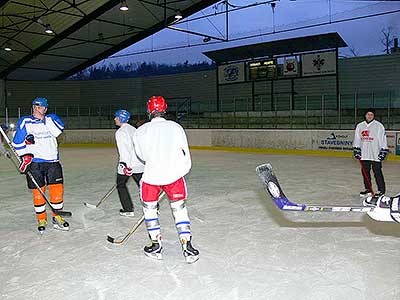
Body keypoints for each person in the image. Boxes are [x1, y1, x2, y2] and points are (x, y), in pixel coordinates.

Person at [133, 95, 199, 264]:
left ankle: (156, 245)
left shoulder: (140, 131)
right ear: (164, 109)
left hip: (151, 177)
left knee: (150, 211)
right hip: (174, 176)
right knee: (180, 210)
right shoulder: (176, 127)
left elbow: (142, 156)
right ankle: (187, 247)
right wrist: (179, 172)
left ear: (149, 110)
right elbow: (185, 153)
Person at [12, 97, 69, 233]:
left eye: (41, 107)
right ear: (32, 107)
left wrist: (44, 120)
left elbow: (57, 132)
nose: (38, 109)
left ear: (45, 108)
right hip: (35, 163)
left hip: (52, 162)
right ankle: (41, 218)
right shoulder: (25, 121)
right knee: (38, 193)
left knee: (57, 192)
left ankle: (57, 217)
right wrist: (25, 155)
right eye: (36, 106)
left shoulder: (52, 118)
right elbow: (17, 144)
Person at [353, 107, 389, 200]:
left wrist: (383, 150)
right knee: (365, 172)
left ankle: (381, 190)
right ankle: (368, 189)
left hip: (375, 154)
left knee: (377, 172)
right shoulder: (360, 126)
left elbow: (382, 139)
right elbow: (357, 138)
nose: (369, 116)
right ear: (365, 115)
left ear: (374, 116)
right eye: (368, 114)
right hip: (364, 154)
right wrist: (356, 149)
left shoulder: (379, 126)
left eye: (371, 114)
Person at [114, 109, 144, 217]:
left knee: (121, 185)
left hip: (128, 165)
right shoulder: (134, 129)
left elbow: (124, 150)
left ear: (120, 118)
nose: (115, 119)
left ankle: (128, 209)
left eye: (116, 117)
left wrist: (125, 165)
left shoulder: (120, 132)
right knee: (143, 186)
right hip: (140, 163)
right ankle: (154, 207)